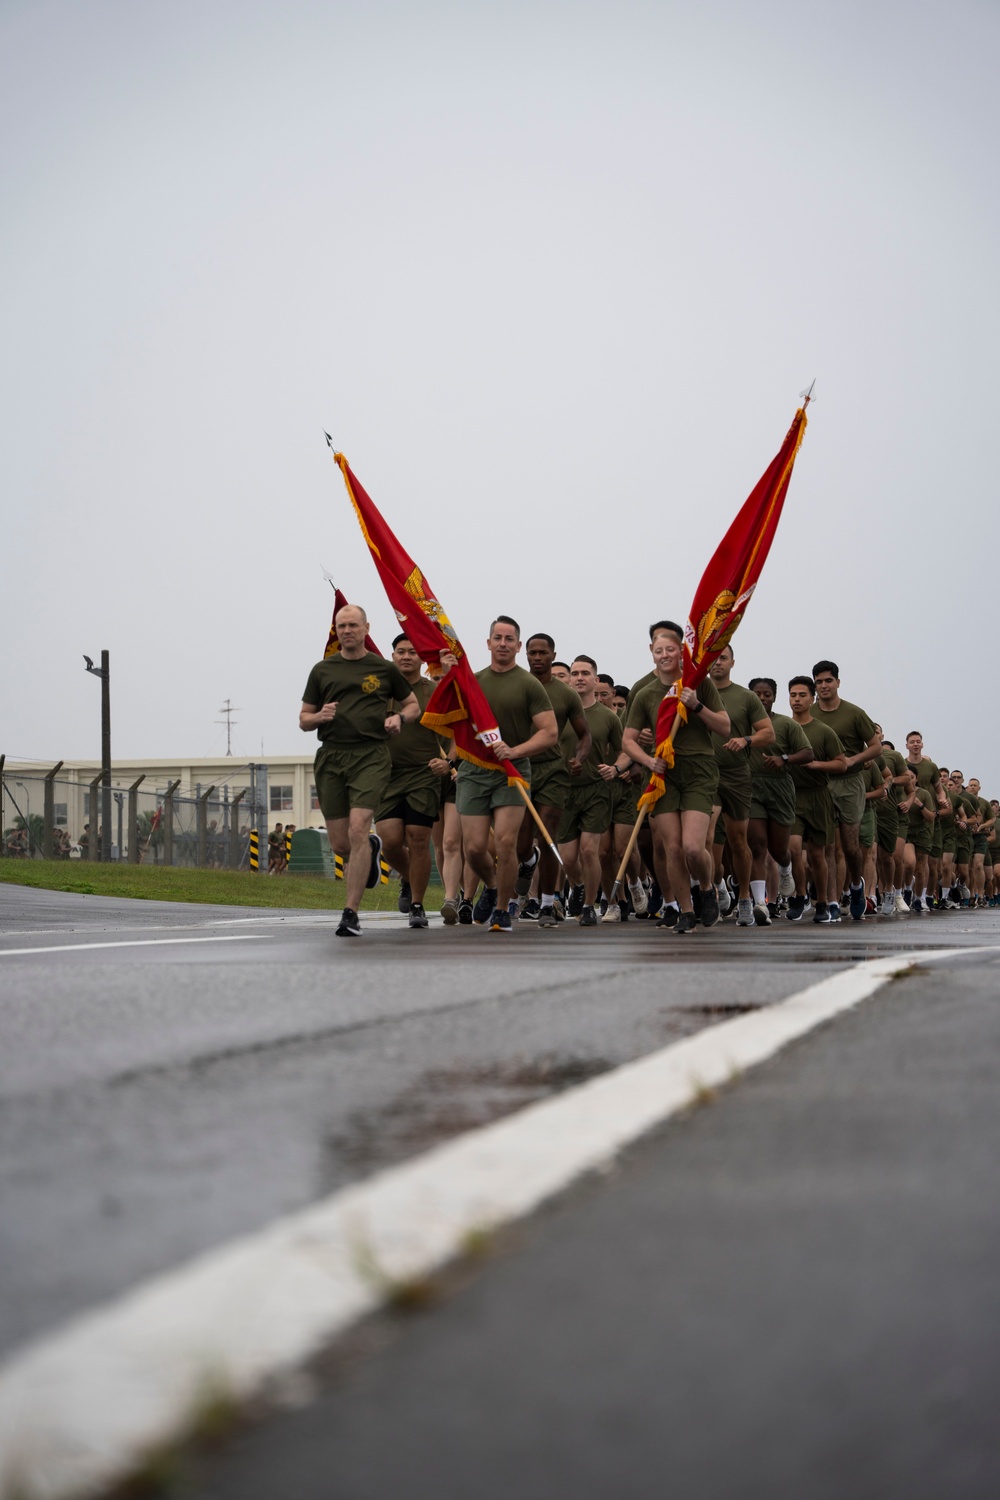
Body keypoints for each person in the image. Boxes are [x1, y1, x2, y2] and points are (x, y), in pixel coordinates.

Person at [300, 603, 419, 937]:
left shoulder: (383, 669)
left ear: (367, 628)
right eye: (342, 626)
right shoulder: (322, 671)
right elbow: (303, 719)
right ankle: (369, 848)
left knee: (357, 829)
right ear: (336, 631)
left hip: (370, 755)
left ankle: (350, 913)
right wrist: (318, 717)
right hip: (332, 757)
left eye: (353, 625)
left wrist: (399, 718)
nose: (347, 631)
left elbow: (413, 705)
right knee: (341, 844)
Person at [442, 617, 557, 934]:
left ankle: (503, 908)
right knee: (475, 848)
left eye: (509, 639)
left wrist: (516, 751)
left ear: (518, 646)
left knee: (506, 844)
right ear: (488, 643)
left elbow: (549, 733)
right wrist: (446, 673)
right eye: (498, 637)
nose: (503, 643)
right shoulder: (474, 681)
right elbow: (453, 720)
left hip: (512, 772)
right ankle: (492, 886)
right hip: (475, 771)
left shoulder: (528, 685)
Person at [622, 627, 730, 934]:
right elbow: (627, 740)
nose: (665, 655)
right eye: (659, 651)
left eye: (671, 650)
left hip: (698, 769)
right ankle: (685, 909)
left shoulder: (699, 684)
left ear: (681, 652)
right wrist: (646, 760)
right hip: (662, 774)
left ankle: (707, 888)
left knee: (693, 847)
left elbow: (724, 727)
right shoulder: (644, 695)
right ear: (651, 652)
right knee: (672, 848)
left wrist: (696, 705)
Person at [374, 634, 452, 930]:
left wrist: (448, 763)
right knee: (390, 842)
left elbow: (455, 735)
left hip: (423, 774)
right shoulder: (379, 691)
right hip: (387, 775)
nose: (406, 656)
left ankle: (417, 905)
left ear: (421, 658)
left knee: (418, 838)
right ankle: (408, 876)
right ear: (392, 656)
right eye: (400, 651)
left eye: (412, 651)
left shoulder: (434, 692)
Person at [520, 634, 591, 928]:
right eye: (532, 653)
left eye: (543, 653)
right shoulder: (517, 686)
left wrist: (579, 757)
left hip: (553, 770)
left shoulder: (566, 694)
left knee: (547, 832)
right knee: (521, 840)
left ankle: (548, 903)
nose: (537, 658)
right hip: (520, 768)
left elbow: (584, 734)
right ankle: (527, 861)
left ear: (553, 655)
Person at [707, 647, 775, 927]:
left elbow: (768, 733)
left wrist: (746, 740)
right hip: (704, 774)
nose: (718, 663)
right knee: (704, 841)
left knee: (738, 841)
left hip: (736, 775)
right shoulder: (695, 693)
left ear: (732, 662)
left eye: (723, 657)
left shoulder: (745, 697)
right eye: (713, 658)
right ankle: (716, 889)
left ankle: (745, 899)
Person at [811, 660, 882, 921]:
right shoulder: (810, 714)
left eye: (828, 680)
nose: (824, 685)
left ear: (838, 682)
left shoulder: (854, 713)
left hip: (851, 783)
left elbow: (876, 746)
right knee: (828, 845)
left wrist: (854, 760)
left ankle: (856, 886)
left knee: (851, 847)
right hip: (821, 784)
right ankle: (830, 901)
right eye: (819, 682)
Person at [746, 676, 813, 922]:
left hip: (780, 787)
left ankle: (786, 869)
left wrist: (784, 758)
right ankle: (760, 903)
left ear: (774, 697)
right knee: (757, 846)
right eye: (757, 694)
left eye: (767, 694)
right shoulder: (742, 722)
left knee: (779, 849)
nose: (762, 698)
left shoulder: (786, 724)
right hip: (751, 786)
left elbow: (807, 753)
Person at [786, 676, 847, 923]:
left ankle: (821, 901)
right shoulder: (782, 727)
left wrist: (816, 764)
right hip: (791, 796)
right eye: (793, 695)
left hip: (819, 796)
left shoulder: (823, 731)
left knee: (816, 855)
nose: (797, 699)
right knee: (793, 849)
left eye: (802, 695)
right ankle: (799, 895)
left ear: (812, 698)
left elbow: (841, 763)